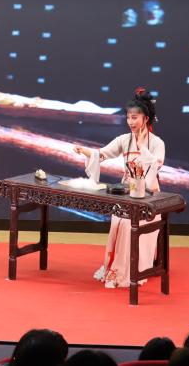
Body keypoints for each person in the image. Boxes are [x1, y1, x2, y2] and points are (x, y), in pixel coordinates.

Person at [74, 87, 165, 289]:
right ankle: (116, 268)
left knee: (129, 224)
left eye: (135, 117)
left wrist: (142, 146)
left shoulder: (157, 143)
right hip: (126, 194)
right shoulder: (124, 140)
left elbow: (155, 164)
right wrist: (86, 152)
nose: (130, 122)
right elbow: (102, 154)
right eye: (128, 117)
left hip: (150, 196)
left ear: (146, 118)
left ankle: (134, 270)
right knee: (119, 222)